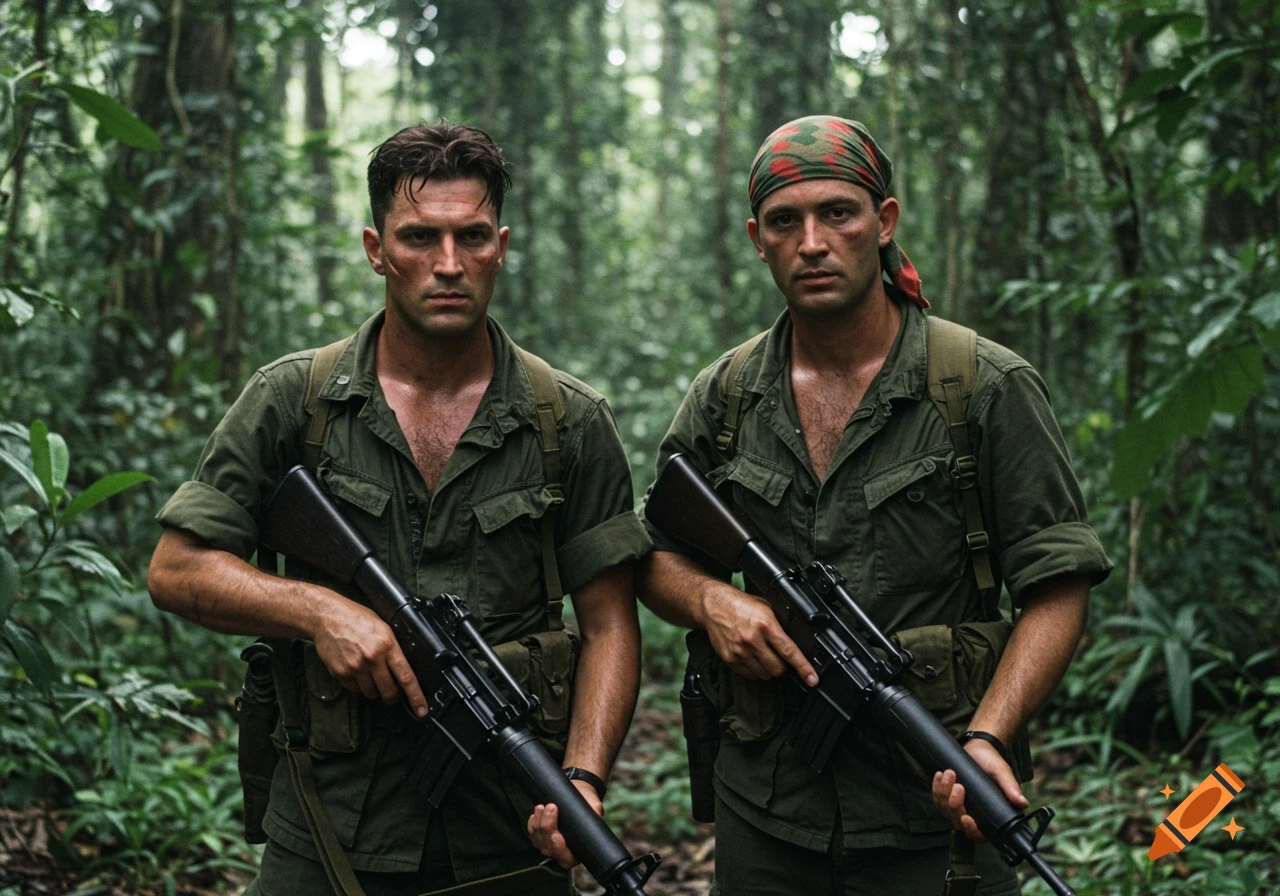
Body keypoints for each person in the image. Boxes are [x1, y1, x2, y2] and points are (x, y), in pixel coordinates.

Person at [147, 121, 650, 896]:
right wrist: (319, 612)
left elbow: (612, 624)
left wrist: (582, 777)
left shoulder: (567, 419)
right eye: (419, 238)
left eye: (472, 236)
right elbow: (177, 570)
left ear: (502, 245)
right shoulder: (294, 401)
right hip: (328, 826)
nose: (448, 265)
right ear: (375, 250)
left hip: (508, 830)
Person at [639, 115, 1112, 895]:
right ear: (759, 239)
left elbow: (1057, 588)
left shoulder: (982, 387)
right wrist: (714, 603)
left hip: (940, 804)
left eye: (838, 214)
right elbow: (655, 554)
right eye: (786, 222)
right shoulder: (725, 398)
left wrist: (989, 736)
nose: (813, 243)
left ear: (883, 222)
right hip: (768, 809)